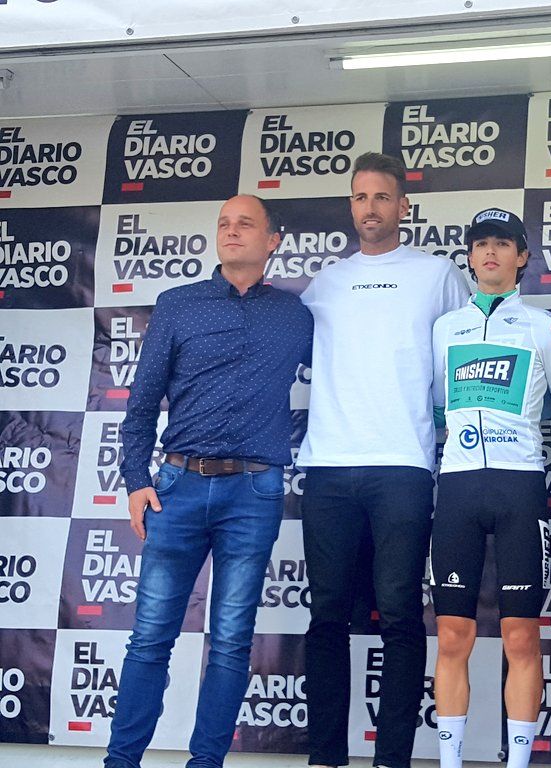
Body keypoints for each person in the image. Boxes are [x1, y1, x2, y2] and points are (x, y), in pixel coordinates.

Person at [298, 153, 551, 768]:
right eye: (360, 196)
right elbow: (439, 395)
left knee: (422, 619)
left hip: (424, 469)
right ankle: (327, 757)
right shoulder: (328, 284)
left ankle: (399, 759)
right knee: (337, 617)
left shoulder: (475, 295)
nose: (371, 207)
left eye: (382, 196)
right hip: (358, 469)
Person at [108, 195, 313, 768]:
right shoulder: (177, 305)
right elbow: (141, 405)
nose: (231, 231)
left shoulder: (296, 316)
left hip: (255, 493)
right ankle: (120, 762)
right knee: (150, 637)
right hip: (177, 487)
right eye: (224, 223)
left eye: (245, 224)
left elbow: (352, 373)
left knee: (230, 642)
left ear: (272, 240)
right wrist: (135, 480)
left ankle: (206, 764)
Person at [429, 207, 551, 768]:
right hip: (458, 489)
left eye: (502, 243)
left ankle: (517, 763)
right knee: (451, 635)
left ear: (522, 257)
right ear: (469, 257)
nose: (490, 252)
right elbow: (438, 409)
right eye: (480, 244)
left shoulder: (543, 327)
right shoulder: (446, 328)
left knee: (521, 636)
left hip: (520, 488)